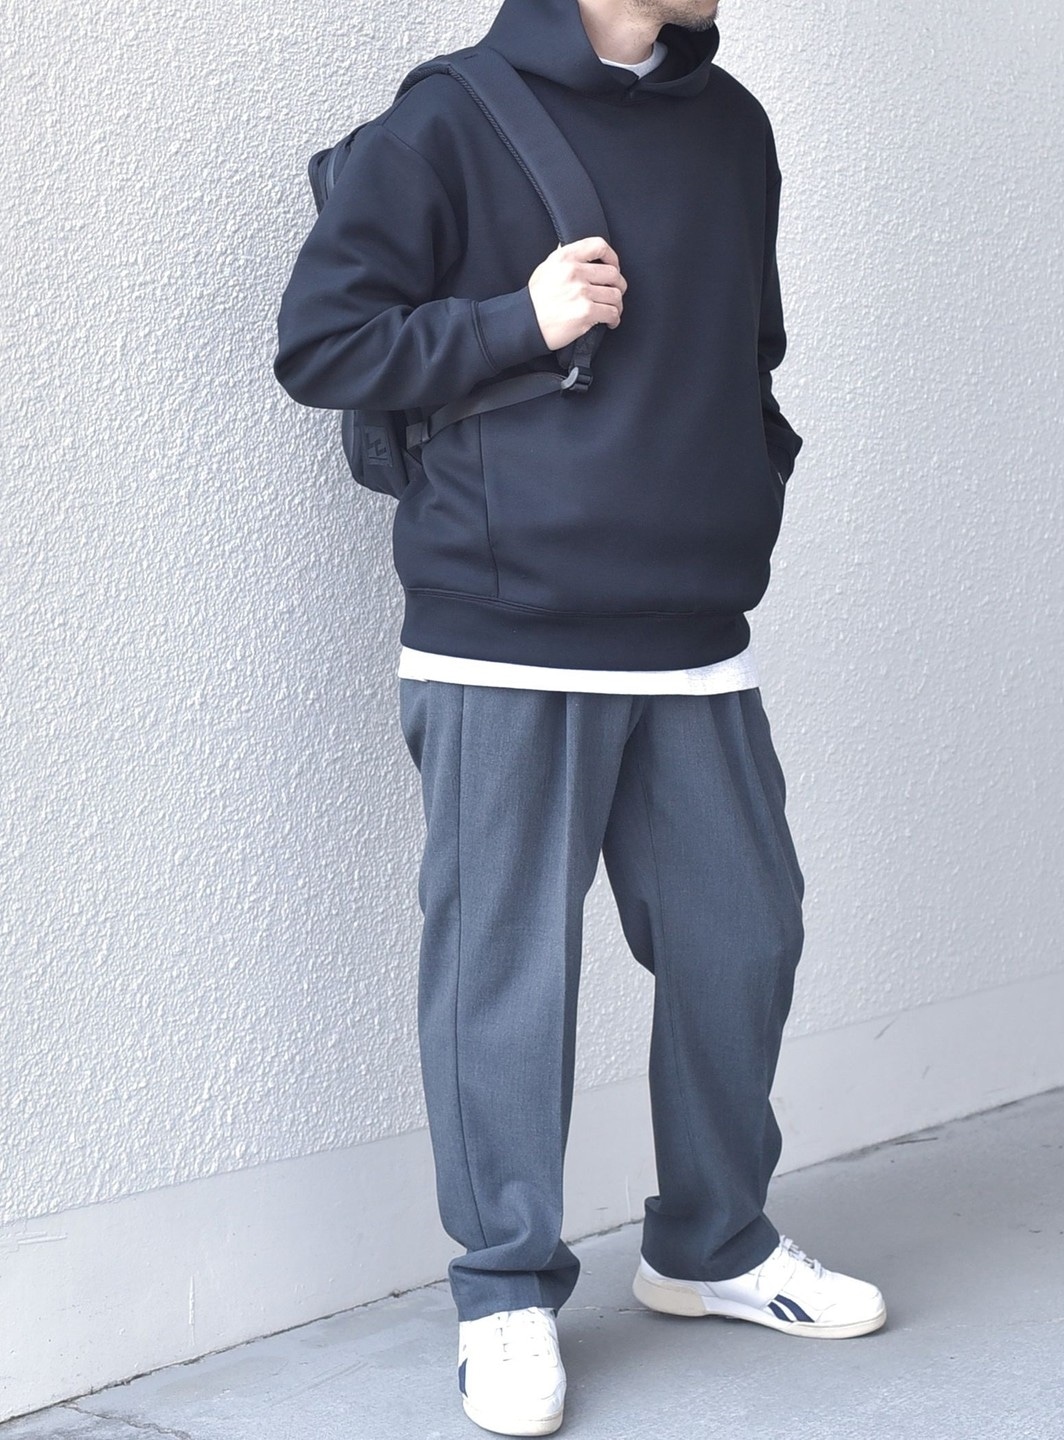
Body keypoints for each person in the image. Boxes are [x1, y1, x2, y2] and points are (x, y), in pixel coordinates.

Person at [273, 0, 886, 1433]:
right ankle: (502, 1292)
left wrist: (744, 482)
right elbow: (321, 346)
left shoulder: (732, 128)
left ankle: (711, 1244)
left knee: (744, 938)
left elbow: (749, 351)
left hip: (691, 632)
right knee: (507, 977)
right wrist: (520, 321)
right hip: (506, 633)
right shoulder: (447, 117)